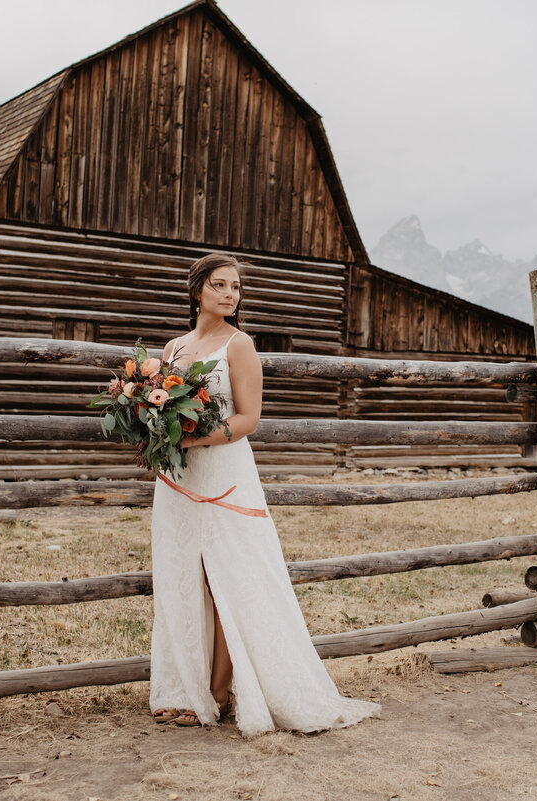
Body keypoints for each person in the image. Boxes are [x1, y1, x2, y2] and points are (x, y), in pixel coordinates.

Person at [148, 253, 380, 736]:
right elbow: (159, 408)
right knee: (181, 575)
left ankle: (218, 691)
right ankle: (181, 688)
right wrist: (152, 430)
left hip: (224, 473)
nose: (230, 294)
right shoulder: (172, 348)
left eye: (235, 287)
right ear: (197, 291)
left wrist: (188, 438)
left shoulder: (240, 345)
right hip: (177, 478)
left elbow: (248, 418)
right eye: (219, 285)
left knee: (230, 577)